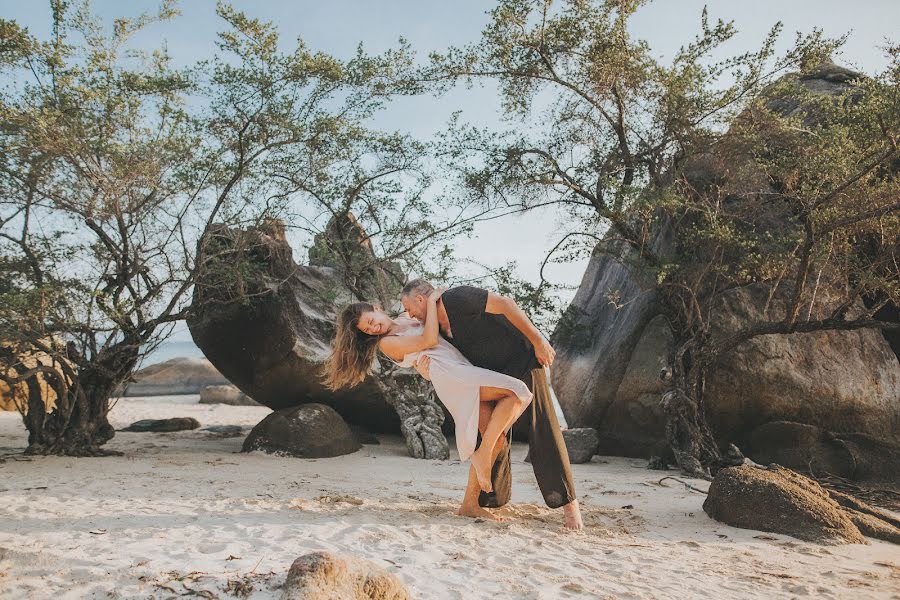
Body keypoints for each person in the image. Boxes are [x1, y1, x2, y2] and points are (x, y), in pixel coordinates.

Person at [321, 287, 534, 515]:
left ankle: (469, 505)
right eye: (368, 329)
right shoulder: (387, 343)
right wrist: (431, 301)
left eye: (371, 321)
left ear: (377, 309)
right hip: (451, 375)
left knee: (495, 438)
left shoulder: (407, 317)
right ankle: (482, 456)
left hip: (460, 367)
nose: (374, 328)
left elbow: (438, 327)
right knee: (516, 392)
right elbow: (429, 339)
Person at [400, 279, 583, 530]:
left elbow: (507, 305)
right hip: (493, 374)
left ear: (421, 299)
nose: (409, 314)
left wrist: (538, 340)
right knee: (488, 433)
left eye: (408, 307)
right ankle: (485, 500)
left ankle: (570, 506)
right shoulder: (435, 329)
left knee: (543, 428)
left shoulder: (457, 298)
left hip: (523, 359)